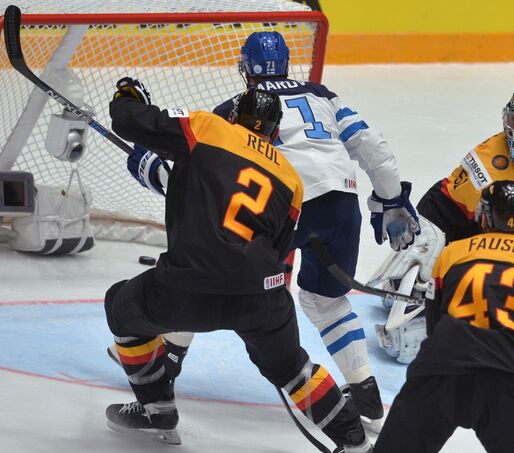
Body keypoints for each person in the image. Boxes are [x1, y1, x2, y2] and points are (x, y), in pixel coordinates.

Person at [121, 31, 421, 430]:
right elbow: (371, 145)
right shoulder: (321, 94)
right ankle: (363, 390)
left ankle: (168, 364)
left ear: (245, 68)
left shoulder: (234, 109)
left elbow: (206, 173)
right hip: (340, 202)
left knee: (215, 271)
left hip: (283, 204)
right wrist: (392, 199)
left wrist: (156, 170)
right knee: (325, 302)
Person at [105, 78, 373, 453]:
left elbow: (131, 122)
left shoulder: (208, 128)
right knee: (295, 371)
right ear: (277, 132)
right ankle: (357, 447)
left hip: (184, 287)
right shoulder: (290, 178)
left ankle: (156, 406)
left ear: (235, 116)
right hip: (259, 296)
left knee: (121, 308)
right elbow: (281, 249)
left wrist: (128, 98)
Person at [372, 180, 514, 453]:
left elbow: (434, 323)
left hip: (444, 367)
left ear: (485, 215)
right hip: (513, 375)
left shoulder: (454, 253)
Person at [373, 85, 514, 364]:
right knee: (409, 334)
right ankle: (411, 289)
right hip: (492, 243)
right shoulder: (489, 160)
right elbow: (443, 211)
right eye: (513, 119)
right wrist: (429, 269)